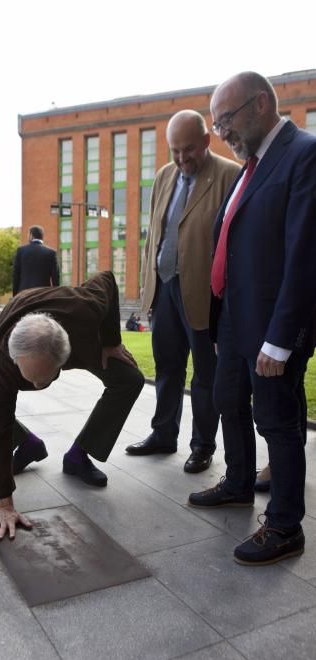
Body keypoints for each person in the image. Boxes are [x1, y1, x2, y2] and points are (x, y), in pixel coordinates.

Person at [188, 71, 316, 566]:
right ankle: (240, 483)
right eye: (218, 124)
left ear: (260, 104)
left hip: (271, 329)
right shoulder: (252, 166)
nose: (222, 133)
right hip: (235, 323)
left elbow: (305, 255)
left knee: (277, 423)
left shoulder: (304, 155)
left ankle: (285, 526)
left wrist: (281, 340)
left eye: (226, 120)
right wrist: (225, 323)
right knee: (228, 402)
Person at [0, 271, 144, 540]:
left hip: (71, 331)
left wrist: (111, 342)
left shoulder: (87, 308)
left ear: (66, 359)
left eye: (45, 379)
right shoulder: (3, 359)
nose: (39, 388)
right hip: (16, 331)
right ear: (15, 361)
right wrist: (4, 504)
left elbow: (107, 279)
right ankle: (27, 444)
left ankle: (79, 454)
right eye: (31, 380)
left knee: (130, 379)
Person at [126, 110, 240, 474]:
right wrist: (149, 287)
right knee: (167, 367)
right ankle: (163, 434)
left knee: (206, 375)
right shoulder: (164, 175)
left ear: (207, 141)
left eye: (188, 149)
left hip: (205, 295)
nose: (181, 159)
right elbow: (153, 235)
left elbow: (235, 244)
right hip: (164, 288)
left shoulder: (230, 175)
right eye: (174, 151)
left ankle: (202, 446)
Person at [12, 225, 60, 295]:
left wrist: (15, 296)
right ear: (42, 236)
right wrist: (55, 295)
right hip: (43, 294)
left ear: (31, 235)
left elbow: (16, 275)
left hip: (24, 294)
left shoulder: (21, 251)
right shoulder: (51, 253)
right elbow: (55, 277)